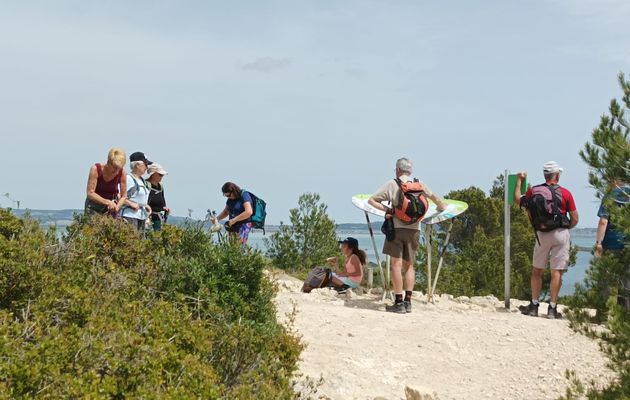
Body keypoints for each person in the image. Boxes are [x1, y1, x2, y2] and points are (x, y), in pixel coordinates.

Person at [368, 157, 447, 314]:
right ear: (410, 171)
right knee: (409, 266)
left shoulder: (393, 184)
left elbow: (371, 200)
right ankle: (408, 302)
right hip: (415, 230)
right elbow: (437, 201)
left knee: (395, 265)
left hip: (396, 229)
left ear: (397, 170)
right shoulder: (419, 184)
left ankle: (398, 302)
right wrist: (442, 206)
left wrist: (388, 211)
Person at [514, 161, 579, 319]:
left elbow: (517, 200)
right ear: (557, 175)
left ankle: (534, 306)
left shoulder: (534, 191)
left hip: (541, 234)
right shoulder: (566, 193)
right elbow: (575, 218)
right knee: (556, 272)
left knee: (537, 271)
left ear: (545, 175)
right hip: (560, 234)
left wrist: (519, 181)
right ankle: (552, 309)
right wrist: (564, 228)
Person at [594, 182, 630, 308]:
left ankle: (603, 314)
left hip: (610, 243)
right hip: (627, 244)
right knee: (626, 282)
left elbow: (603, 221)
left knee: (606, 280)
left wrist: (598, 243)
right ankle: (624, 316)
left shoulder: (610, 196)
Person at [85, 148, 127, 216]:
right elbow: (90, 193)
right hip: (93, 207)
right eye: (114, 167)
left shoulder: (122, 173)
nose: (116, 171)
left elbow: (124, 196)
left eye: (118, 168)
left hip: (111, 207)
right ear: (108, 162)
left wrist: (117, 207)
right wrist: (107, 202)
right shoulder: (95, 169)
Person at [120, 152, 152, 234]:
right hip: (129, 216)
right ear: (137, 165)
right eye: (145, 164)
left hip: (141, 217)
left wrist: (145, 205)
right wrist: (131, 204)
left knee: (140, 244)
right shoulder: (128, 178)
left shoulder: (142, 181)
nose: (147, 167)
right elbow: (119, 196)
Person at [147, 163, 170, 231]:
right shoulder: (146, 185)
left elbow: (162, 201)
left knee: (157, 238)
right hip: (148, 217)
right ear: (153, 174)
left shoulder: (160, 186)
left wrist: (164, 208)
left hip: (158, 218)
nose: (162, 177)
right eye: (160, 175)